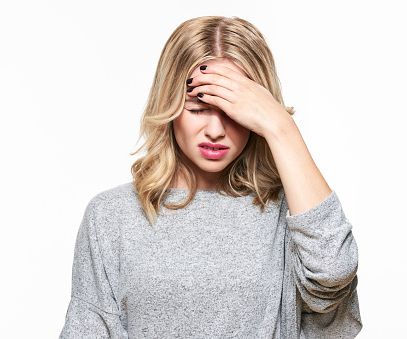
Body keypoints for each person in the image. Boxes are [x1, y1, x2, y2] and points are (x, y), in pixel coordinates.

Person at [59, 16, 362, 338]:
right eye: (198, 108)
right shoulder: (112, 215)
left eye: (234, 110)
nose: (215, 131)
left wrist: (282, 128)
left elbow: (333, 274)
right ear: (170, 105)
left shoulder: (294, 213)